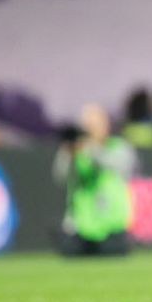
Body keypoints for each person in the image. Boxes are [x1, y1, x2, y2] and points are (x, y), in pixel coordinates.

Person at [53, 105, 134, 256]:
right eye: (87, 127)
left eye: (94, 126)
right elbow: (61, 177)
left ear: (106, 126)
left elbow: (121, 166)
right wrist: (70, 154)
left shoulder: (118, 147)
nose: (90, 131)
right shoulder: (75, 151)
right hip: (81, 227)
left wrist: (91, 148)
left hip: (112, 226)